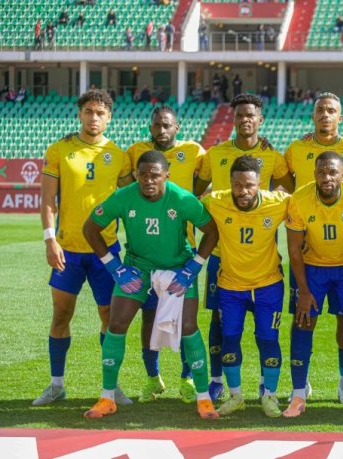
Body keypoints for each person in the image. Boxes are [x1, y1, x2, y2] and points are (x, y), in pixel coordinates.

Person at [82, 150, 219, 420]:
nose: (148, 180)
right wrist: (114, 267)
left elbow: (212, 231)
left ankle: (204, 399)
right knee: (116, 324)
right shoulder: (124, 196)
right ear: (136, 175)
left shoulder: (182, 199)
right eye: (142, 175)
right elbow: (90, 228)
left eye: (154, 175)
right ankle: (107, 397)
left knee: (188, 327)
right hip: (137, 268)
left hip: (178, 269)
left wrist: (193, 267)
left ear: (166, 175)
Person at [34, 89, 133, 407]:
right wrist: (50, 239)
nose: (94, 117)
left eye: (100, 113)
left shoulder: (118, 155)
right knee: (61, 314)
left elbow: (132, 202)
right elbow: (47, 200)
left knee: (110, 317)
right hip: (67, 250)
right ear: (79, 114)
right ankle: (56, 385)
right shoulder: (60, 150)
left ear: (109, 118)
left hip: (106, 251)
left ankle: (111, 387)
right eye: (89, 111)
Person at [198, 94, 293, 402]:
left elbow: (292, 191)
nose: (245, 120)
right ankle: (217, 381)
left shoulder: (272, 155)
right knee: (220, 323)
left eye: (250, 115)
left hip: (262, 258)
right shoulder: (215, 154)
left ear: (259, 119)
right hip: (222, 256)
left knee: (266, 333)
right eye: (239, 115)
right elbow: (195, 194)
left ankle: (267, 387)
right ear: (234, 119)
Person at [284, 92, 343, 404]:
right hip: (309, 261)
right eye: (320, 110)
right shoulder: (296, 151)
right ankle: (300, 385)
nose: (325, 114)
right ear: (312, 116)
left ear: (340, 116)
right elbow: (282, 178)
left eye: (331, 110)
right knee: (303, 318)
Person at [126, 105, 208, 403]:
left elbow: (201, 186)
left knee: (186, 322)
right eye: (157, 125)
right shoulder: (135, 152)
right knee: (148, 317)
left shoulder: (195, 152)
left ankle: (187, 378)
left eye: (167, 125)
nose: (161, 130)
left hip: (182, 252)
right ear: (150, 127)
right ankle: (153, 378)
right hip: (145, 251)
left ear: (177, 127)